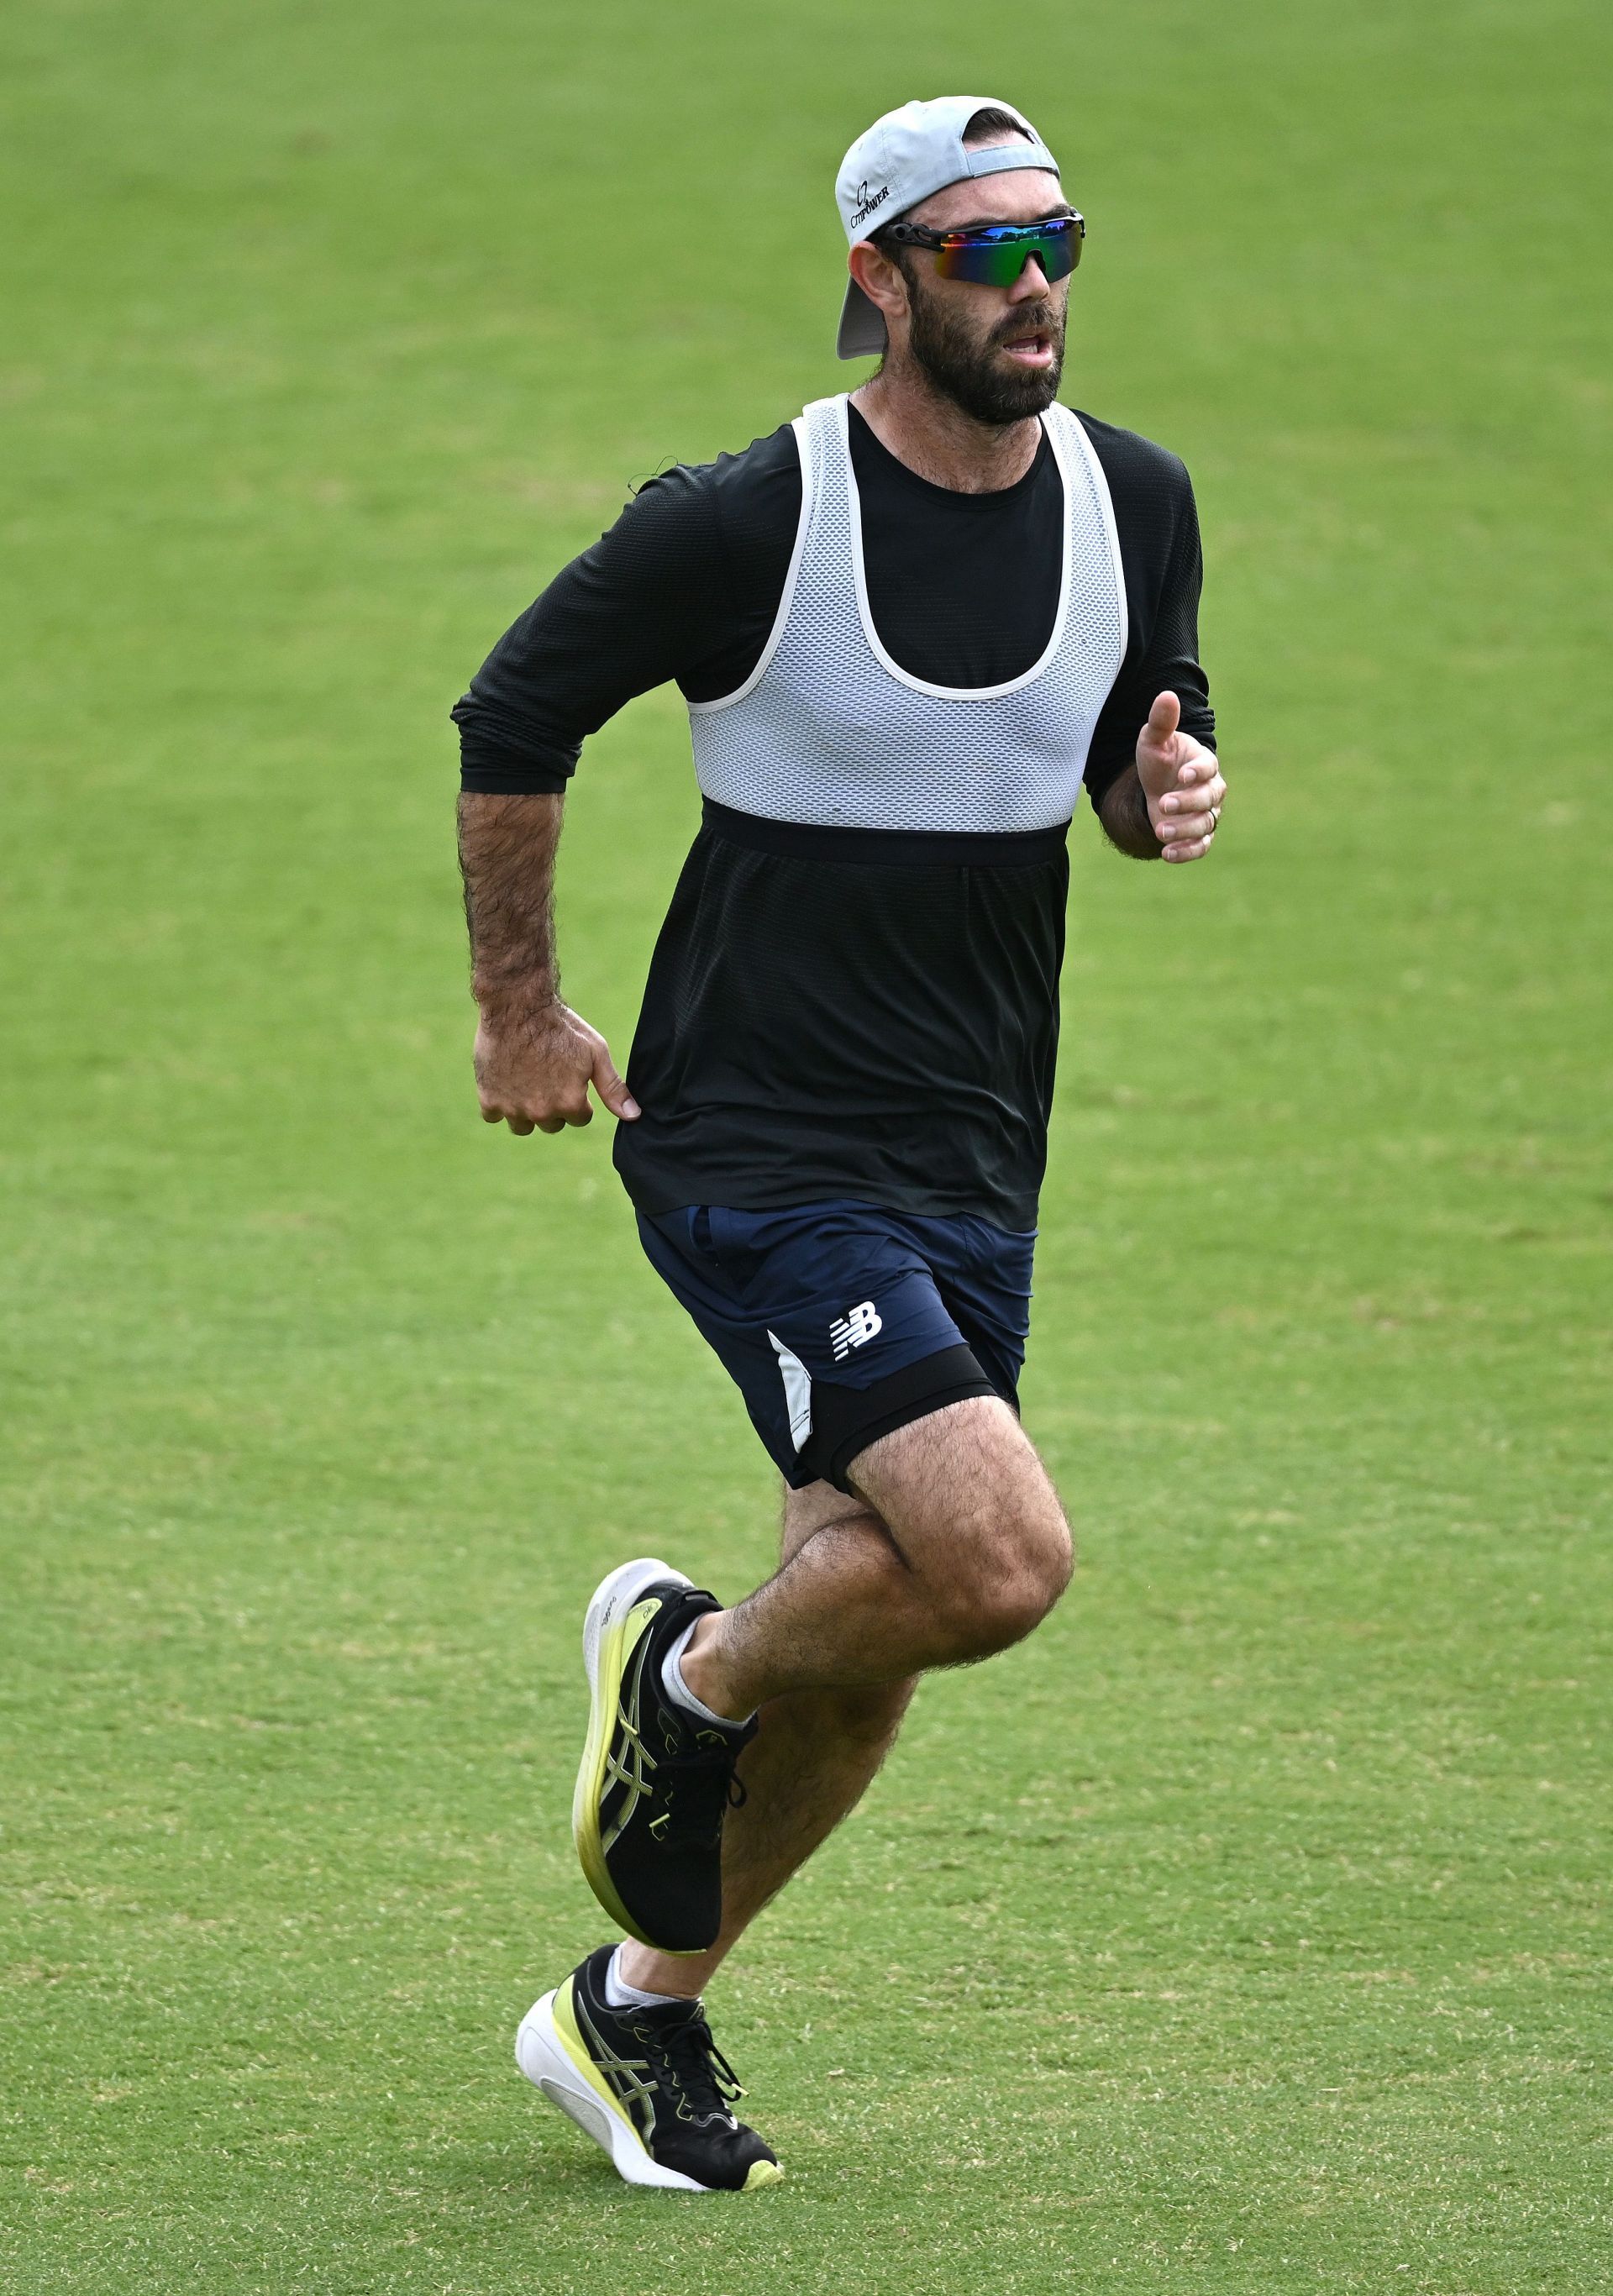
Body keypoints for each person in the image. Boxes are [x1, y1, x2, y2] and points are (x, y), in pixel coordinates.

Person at [453, 94, 1224, 2194]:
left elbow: (1140, 746)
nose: (1035, 281)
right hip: (757, 1143)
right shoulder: (747, 516)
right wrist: (522, 1010)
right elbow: (514, 715)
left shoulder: (1132, 500)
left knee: (876, 1629)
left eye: (1057, 236)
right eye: (983, 252)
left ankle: (634, 2015)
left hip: (978, 1149)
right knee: (995, 1561)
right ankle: (678, 1668)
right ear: (882, 276)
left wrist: (1161, 799)